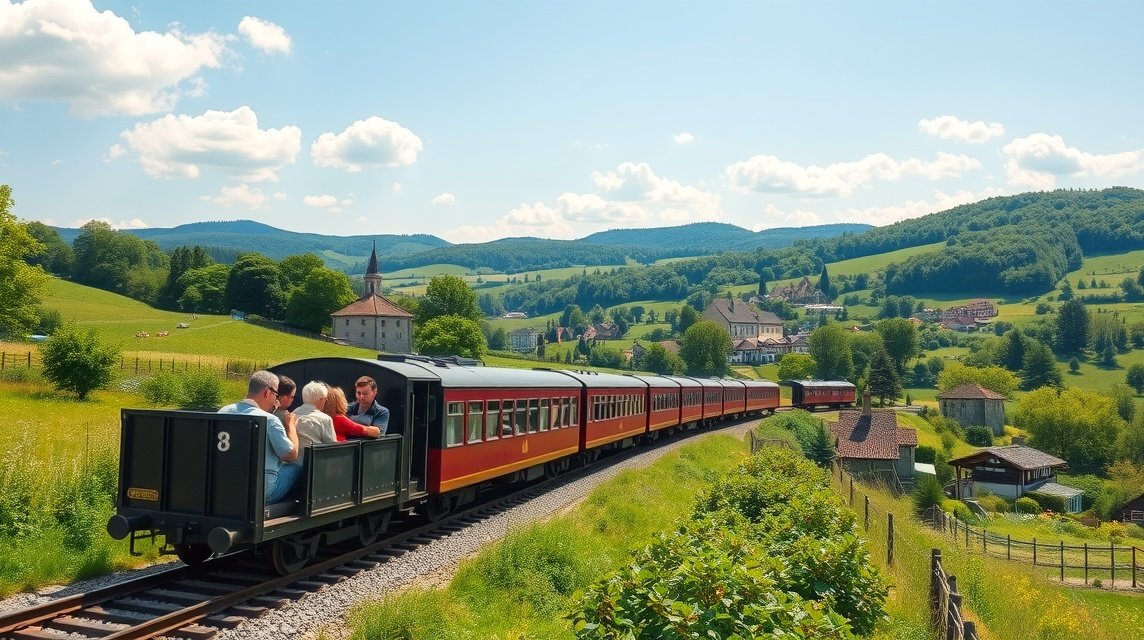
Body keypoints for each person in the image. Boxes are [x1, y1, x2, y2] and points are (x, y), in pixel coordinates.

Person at [218, 370, 300, 504]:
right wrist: (291, 427)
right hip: (260, 491)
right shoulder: (270, 420)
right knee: (296, 469)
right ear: (267, 393)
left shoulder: (223, 412)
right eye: (276, 395)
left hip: (227, 486)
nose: (276, 400)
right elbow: (291, 454)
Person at [293, 381, 337, 465]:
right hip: (314, 467)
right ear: (320, 400)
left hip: (292, 464)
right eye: (325, 399)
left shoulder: (292, 414)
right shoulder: (325, 419)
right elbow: (332, 447)